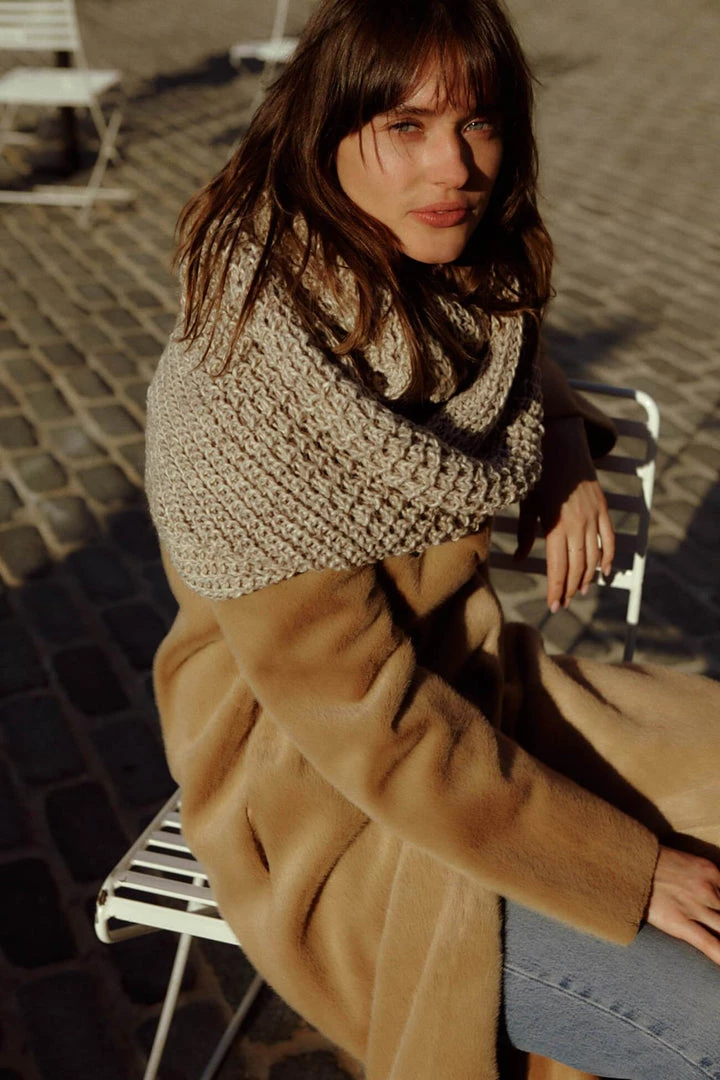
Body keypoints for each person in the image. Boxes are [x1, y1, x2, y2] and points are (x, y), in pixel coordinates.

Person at [144, 1, 720, 1077]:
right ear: (322, 130)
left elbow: (515, 358)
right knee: (706, 1019)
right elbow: (371, 727)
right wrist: (627, 869)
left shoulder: (444, 280)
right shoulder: (242, 395)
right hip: (321, 785)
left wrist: (562, 450)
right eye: (405, 126)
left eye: (479, 122)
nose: (456, 167)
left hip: (473, 691)